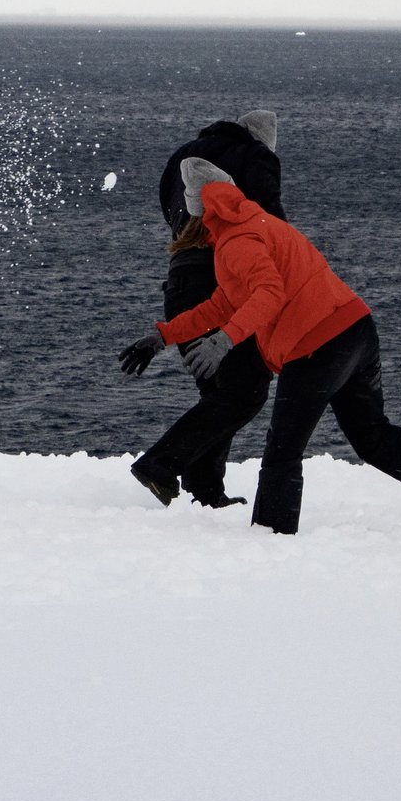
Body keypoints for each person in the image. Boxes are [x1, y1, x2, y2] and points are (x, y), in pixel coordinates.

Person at [120, 158, 401, 539]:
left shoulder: (237, 242)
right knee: (374, 438)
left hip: (318, 347)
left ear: (201, 209)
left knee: (282, 451)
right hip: (355, 329)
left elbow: (268, 294)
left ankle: (273, 541)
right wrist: (164, 336)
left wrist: (225, 340)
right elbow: (226, 302)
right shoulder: (257, 225)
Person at [126, 111, 284, 509]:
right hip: (224, 277)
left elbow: (171, 213)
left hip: (180, 280)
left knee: (220, 390)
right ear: (263, 139)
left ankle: (204, 492)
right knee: (245, 390)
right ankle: (160, 464)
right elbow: (270, 217)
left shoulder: (182, 156)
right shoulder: (256, 155)